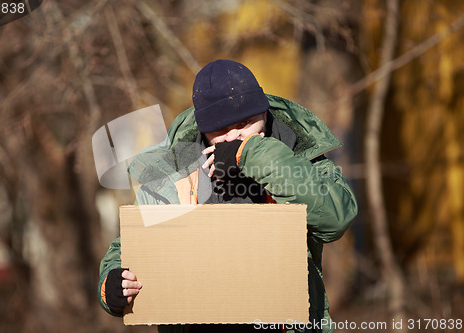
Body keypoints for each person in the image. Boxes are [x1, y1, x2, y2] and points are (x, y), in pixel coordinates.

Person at [98, 59, 358, 333]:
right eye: (221, 130)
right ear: (203, 129)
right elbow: (133, 245)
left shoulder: (299, 151)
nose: (234, 135)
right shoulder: (173, 170)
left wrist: (252, 153)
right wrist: (113, 284)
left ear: (263, 112)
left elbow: (335, 218)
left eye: (246, 123)